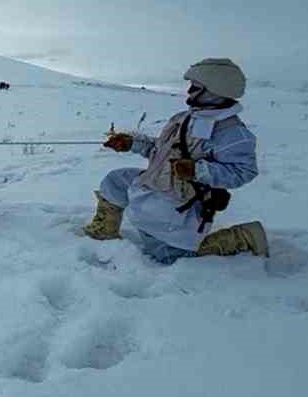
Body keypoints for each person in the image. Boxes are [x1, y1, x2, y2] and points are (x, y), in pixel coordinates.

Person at [81, 57, 267, 261]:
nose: (189, 91)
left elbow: (244, 171)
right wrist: (131, 143)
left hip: (179, 200)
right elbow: (160, 149)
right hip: (155, 183)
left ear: (215, 91)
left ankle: (243, 238)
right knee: (116, 180)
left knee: (168, 257)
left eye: (195, 87)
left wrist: (197, 170)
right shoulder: (184, 118)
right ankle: (104, 230)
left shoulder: (232, 133)